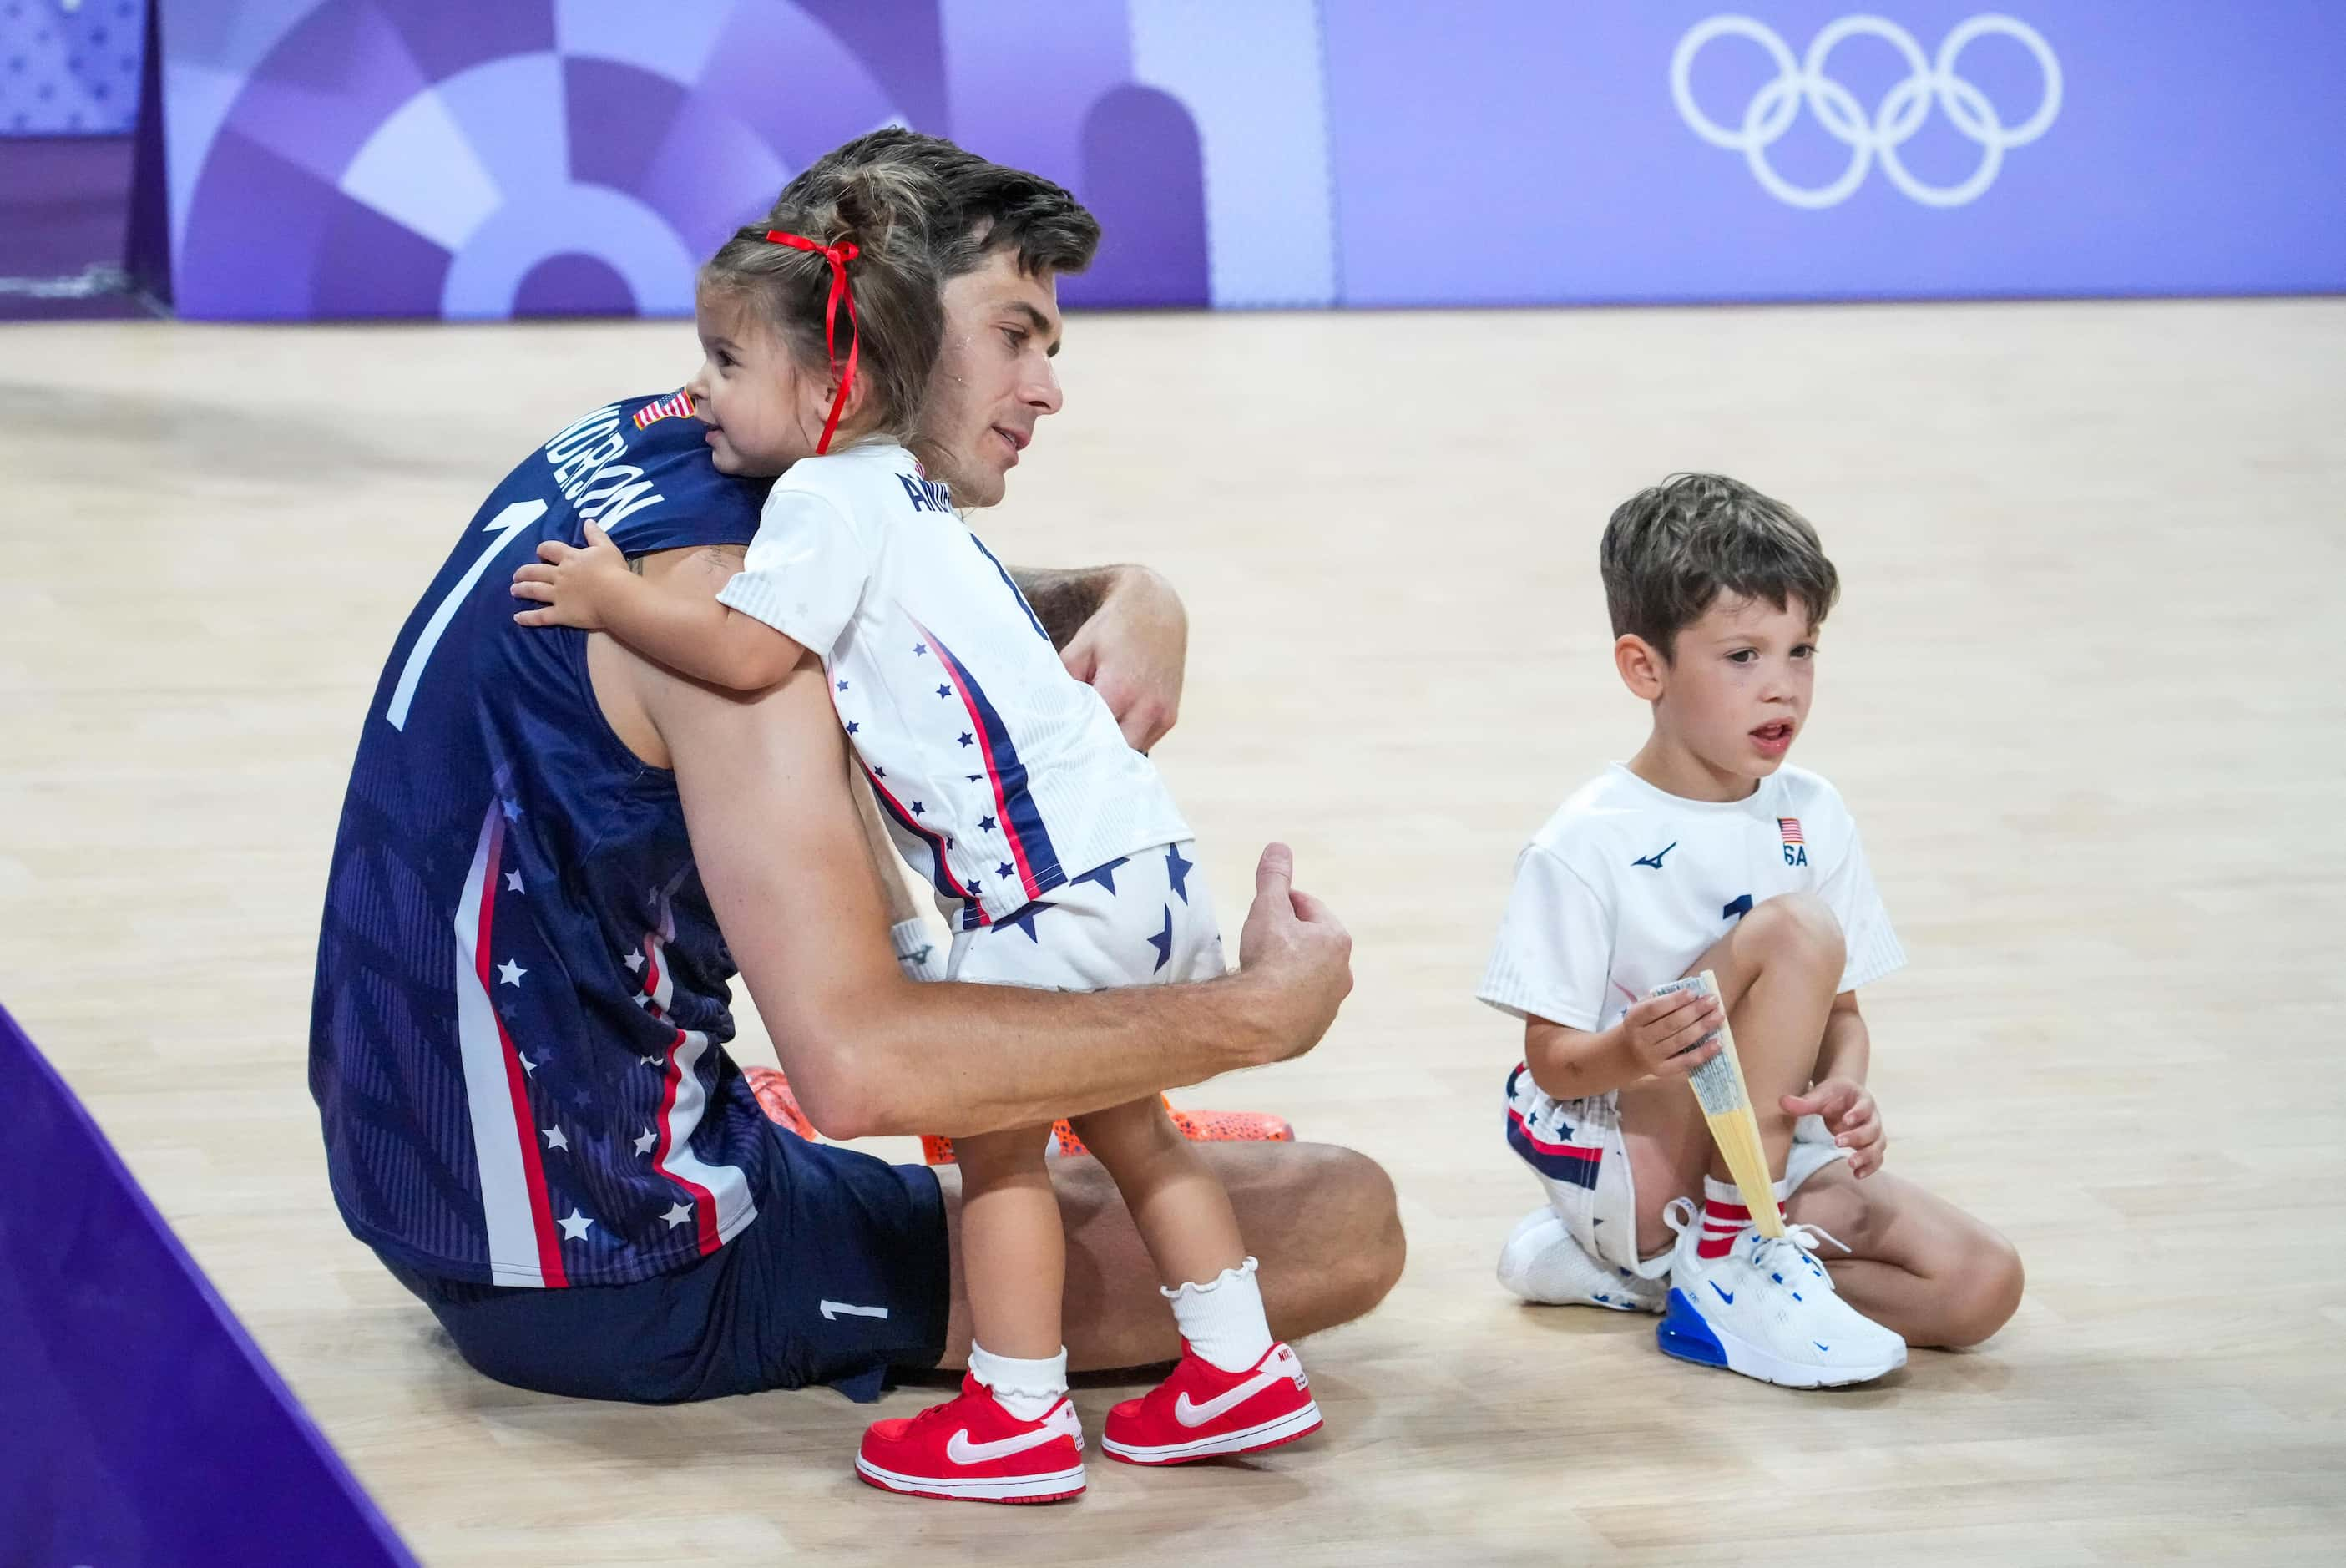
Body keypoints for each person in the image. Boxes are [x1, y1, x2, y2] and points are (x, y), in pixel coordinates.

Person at [305, 132, 1403, 1444]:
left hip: (435, 1159)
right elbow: (861, 1071)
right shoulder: (719, 607)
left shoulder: (660, 447)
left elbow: (879, 622)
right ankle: (1015, 1403)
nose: (1046, 388)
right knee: (1340, 1214)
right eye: (1015, 334)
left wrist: (1125, 590)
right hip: (611, 1262)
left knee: (1097, 1108)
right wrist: (1246, 1013)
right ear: (871, 336)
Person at [1479, 473, 2022, 1388]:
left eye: (1800, 651)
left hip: (1769, 1155)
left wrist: (1843, 1091)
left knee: (1979, 1286)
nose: (1781, 687)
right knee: (1795, 930)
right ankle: (1705, 1256)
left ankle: (1671, 1280)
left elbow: (1838, 1017)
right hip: (1634, 1156)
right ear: (1643, 668)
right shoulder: (1582, 841)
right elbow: (1552, 1063)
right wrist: (1625, 1046)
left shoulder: (1815, 811)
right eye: (1741, 656)